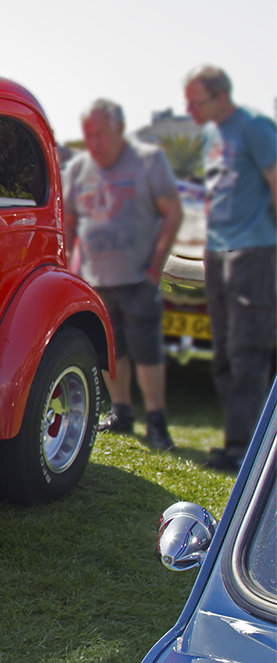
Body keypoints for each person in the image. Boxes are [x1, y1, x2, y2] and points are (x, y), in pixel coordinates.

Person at [63, 99, 183, 451]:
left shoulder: (148, 161)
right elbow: (69, 220)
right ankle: (121, 413)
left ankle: (157, 424)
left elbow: (172, 213)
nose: (93, 142)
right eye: (88, 135)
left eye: (100, 133)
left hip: (138, 277)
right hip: (96, 278)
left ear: (118, 129)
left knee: (146, 352)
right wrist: (70, 269)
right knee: (110, 352)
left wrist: (156, 263)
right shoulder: (79, 168)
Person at [184, 65, 277, 472]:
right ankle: (236, 441)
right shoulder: (211, 135)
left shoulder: (255, 127)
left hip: (252, 253)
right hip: (218, 252)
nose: (189, 109)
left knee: (246, 351)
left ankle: (247, 450)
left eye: (196, 101)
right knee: (222, 352)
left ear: (221, 98)